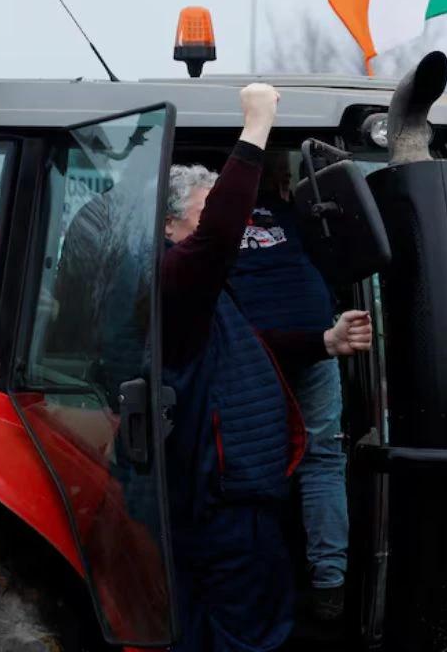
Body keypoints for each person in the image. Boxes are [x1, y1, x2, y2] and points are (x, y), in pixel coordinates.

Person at [161, 84, 371, 651]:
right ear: (170, 227)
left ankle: (326, 580)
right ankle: (330, 582)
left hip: (242, 503)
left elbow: (249, 344)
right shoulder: (177, 278)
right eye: (205, 214)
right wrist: (255, 127)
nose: (230, 228)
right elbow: (221, 235)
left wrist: (323, 340)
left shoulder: (212, 293)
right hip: (222, 503)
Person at [230, 151, 360, 619]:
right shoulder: (295, 217)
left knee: (251, 462)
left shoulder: (211, 224)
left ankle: (258, 580)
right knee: (323, 461)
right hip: (316, 343)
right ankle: (330, 584)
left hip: (252, 351)